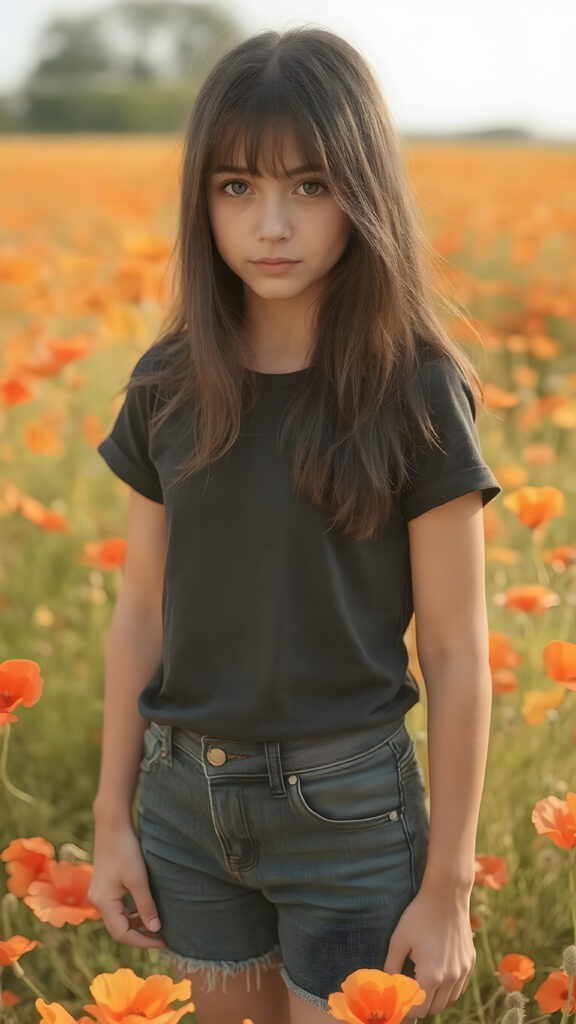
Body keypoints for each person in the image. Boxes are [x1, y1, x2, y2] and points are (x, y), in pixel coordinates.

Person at [89, 24, 502, 1024]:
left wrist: (447, 884)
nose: (271, 223)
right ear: (205, 202)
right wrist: (112, 819)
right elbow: (141, 611)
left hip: (350, 813)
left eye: (310, 187)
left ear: (361, 191)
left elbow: (455, 653)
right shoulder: (167, 383)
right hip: (185, 803)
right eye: (237, 187)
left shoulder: (414, 390)